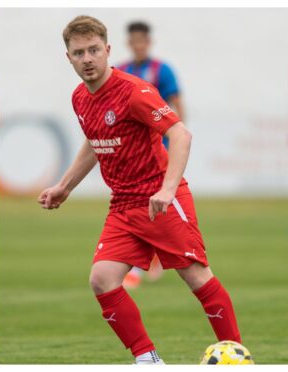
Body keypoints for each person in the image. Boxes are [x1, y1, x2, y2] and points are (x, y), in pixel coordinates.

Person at [38, 15, 241, 364]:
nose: (87, 58)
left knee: (196, 278)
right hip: (123, 204)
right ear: (68, 57)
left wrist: (167, 189)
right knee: (102, 279)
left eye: (93, 50)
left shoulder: (135, 91)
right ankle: (148, 360)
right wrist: (64, 186)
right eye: (78, 53)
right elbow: (94, 141)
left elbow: (181, 134)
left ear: (107, 50)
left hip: (160, 200)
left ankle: (238, 355)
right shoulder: (80, 98)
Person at [117, 21, 185, 289]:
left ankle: (142, 264)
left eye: (142, 41)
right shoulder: (120, 71)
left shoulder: (162, 70)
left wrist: (174, 140)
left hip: (160, 152)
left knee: (153, 206)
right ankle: (146, 259)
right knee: (135, 206)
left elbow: (177, 108)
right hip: (130, 154)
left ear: (149, 42)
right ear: (129, 43)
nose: (138, 45)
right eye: (134, 41)